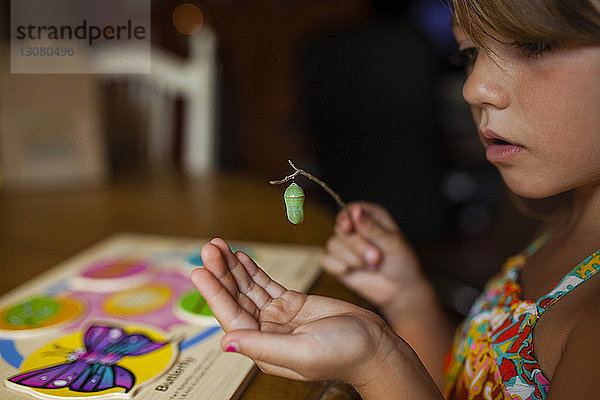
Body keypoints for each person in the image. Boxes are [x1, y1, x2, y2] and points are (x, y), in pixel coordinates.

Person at [190, 0, 600, 398]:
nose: (473, 89)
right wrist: (407, 299)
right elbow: (463, 383)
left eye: (533, 45)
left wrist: (378, 362)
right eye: (470, 53)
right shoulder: (567, 221)